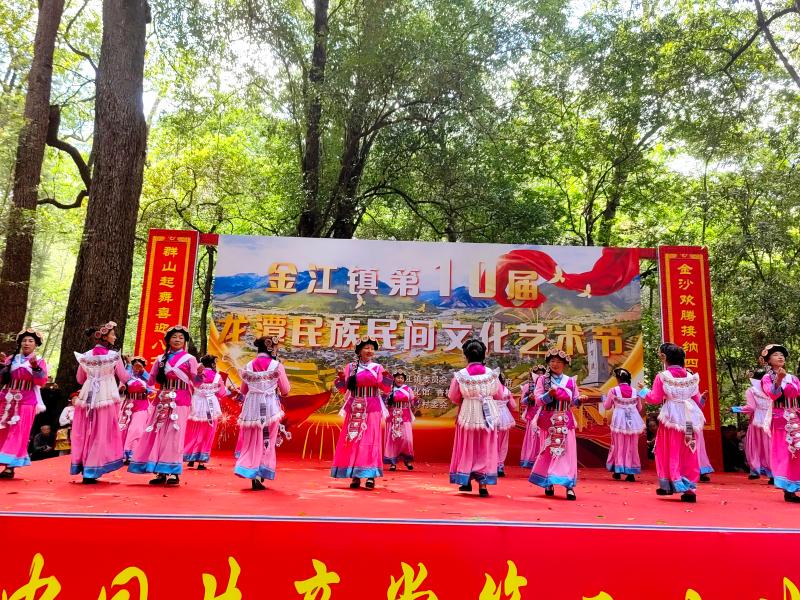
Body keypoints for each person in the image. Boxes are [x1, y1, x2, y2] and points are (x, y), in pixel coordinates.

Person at [129, 325, 200, 486]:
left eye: (181, 337)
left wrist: (200, 374)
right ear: (168, 340)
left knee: (175, 433)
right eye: (174, 337)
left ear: (185, 341)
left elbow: (196, 382)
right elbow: (151, 381)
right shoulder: (160, 359)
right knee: (158, 433)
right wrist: (141, 372)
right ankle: (160, 471)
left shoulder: (190, 359)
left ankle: (173, 472)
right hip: (162, 400)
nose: (177, 340)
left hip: (181, 399)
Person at [640, 342, 703, 503]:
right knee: (689, 449)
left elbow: (654, 398)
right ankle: (690, 489)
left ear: (665, 358)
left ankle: (669, 484)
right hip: (689, 418)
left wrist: (643, 390)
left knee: (668, 449)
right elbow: (698, 401)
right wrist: (703, 399)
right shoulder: (691, 377)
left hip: (672, 418)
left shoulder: (663, 376)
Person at [72, 321, 130, 483]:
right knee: (102, 431)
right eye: (113, 334)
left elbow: (80, 379)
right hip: (106, 395)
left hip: (88, 395)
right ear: (105, 337)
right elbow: (124, 377)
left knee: (87, 430)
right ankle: (92, 469)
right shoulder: (113, 356)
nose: (115, 337)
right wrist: (129, 365)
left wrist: (92, 376)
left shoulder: (85, 356)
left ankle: (84, 465)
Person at [332, 337, 391, 489]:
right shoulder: (351, 367)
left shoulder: (377, 368)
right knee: (354, 440)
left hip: (372, 407)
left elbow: (385, 389)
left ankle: (370, 475)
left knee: (371, 440)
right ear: (359, 351)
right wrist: (340, 380)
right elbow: (344, 389)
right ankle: (355, 475)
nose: (370, 351)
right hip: (354, 407)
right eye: (366, 348)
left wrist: (386, 379)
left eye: (372, 348)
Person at [448, 339, 504, 498]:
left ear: (466, 355)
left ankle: (465, 479)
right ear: (483, 354)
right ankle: (483, 484)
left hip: (468, 412)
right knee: (485, 446)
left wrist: (468, 396)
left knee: (467, 445)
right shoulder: (491, 374)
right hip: (488, 414)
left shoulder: (461, 375)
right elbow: (499, 394)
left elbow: (453, 396)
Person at [529, 348, 585, 500]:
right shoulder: (543, 380)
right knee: (548, 451)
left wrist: (580, 400)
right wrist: (549, 395)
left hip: (565, 420)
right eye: (552, 361)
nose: (555, 364)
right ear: (548, 363)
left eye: (559, 362)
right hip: (548, 420)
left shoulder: (570, 381)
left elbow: (574, 400)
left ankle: (569, 486)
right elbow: (538, 400)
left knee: (568, 453)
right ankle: (548, 482)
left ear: (564, 364)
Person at [235, 338, 291, 489]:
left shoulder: (248, 365)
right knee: (268, 439)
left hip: (252, 407)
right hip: (270, 407)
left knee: (252, 440)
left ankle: (248, 468)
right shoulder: (276, 366)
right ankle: (260, 473)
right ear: (271, 349)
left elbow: (243, 390)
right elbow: (285, 390)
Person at [0, 328, 48, 479]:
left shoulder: (39, 361)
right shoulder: (11, 359)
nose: (27, 343)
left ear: (36, 344)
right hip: (6, 399)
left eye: (30, 341)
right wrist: (2, 366)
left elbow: (41, 382)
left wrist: (35, 368)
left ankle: (10, 466)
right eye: (24, 340)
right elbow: (2, 379)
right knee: (2, 429)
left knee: (18, 432)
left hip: (26, 401)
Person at [759, 344, 800, 502]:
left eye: (782, 355)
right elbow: (773, 395)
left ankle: (794, 485)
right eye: (776, 354)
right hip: (781, 418)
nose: (780, 357)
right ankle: (788, 488)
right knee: (786, 451)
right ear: (768, 360)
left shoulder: (793, 378)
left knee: (797, 452)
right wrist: (779, 379)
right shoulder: (767, 377)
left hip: (796, 415)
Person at [184, 355, 228, 470]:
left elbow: (189, 389)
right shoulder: (217, 376)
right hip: (210, 405)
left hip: (196, 404)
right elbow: (222, 393)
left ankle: (191, 456)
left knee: (193, 430)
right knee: (207, 432)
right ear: (213, 364)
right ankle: (201, 461)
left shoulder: (195, 375)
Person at [603, 367, 644, 481]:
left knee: (618, 444)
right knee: (632, 445)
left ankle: (618, 471)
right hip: (633, 420)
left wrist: (604, 399)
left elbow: (607, 406)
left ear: (617, 379)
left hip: (619, 421)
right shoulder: (635, 391)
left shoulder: (613, 391)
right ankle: (631, 473)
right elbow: (639, 408)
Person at [731, 368, 771, 480]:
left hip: (756, 420)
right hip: (770, 420)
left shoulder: (751, 390)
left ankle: (755, 471)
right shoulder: (771, 390)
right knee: (769, 446)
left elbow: (751, 407)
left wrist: (735, 409)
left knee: (754, 446)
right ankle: (772, 472)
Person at [383, 370, 417, 471]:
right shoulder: (389, 389)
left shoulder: (408, 389)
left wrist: (416, 400)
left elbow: (413, 402)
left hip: (405, 416)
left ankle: (407, 459)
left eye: (402, 378)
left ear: (404, 380)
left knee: (407, 439)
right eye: (398, 377)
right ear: (394, 379)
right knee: (393, 439)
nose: (400, 379)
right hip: (392, 416)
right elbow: (384, 402)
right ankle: (392, 462)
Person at [120, 357, 152, 464]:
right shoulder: (128, 376)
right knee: (124, 429)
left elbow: (151, 387)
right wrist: (129, 365)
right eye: (135, 365)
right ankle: (124, 455)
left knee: (136, 429)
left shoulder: (145, 377)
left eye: (140, 366)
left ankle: (134, 454)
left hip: (142, 405)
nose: (137, 368)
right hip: (128, 406)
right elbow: (124, 381)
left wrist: (146, 389)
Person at [519, 365, 545, 469]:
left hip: (543, 414)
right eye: (537, 373)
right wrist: (529, 398)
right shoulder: (527, 386)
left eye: (542, 373)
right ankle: (530, 460)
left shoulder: (547, 385)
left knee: (543, 437)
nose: (540, 375)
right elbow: (523, 402)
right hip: (532, 415)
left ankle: (542, 460)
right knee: (533, 438)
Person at [495, 373, 517, 477]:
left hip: (492, 416)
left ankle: (492, 465)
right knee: (503, 443)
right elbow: (513, 405)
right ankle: (500, 466)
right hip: (504, 418)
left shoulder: (489, 390)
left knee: (492, 442)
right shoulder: (506, 390)